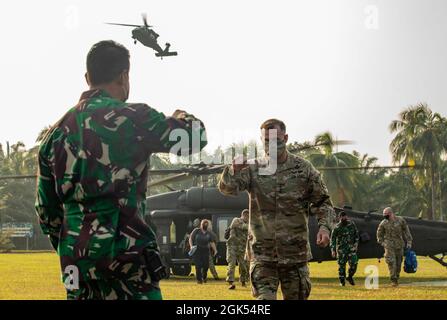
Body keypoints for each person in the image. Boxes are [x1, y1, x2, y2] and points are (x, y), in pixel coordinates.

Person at [34, 40, 207, 300]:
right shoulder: (135, 118)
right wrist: (182, 116)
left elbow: (47, 211)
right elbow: (196, 137)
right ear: (124, 76)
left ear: (87, 78)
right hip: (129, 263)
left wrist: (75, 243)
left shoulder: (54, 135)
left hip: (78, 267)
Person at [218, 118, 335, 300]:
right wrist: (233, 170)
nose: (271, 145)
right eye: (266, 141)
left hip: (295, 256)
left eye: (276, 140)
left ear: (286, 138)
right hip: (263, 256)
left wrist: (324, 227)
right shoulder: (253, 168)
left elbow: (323, 203)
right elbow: (227, 189)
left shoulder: (304, 169)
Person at [377, 207, 413, 286]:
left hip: (399, 245)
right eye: (383, 214)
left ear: (391, 213)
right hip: (389, 246)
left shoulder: (400, 220)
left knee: (398, 263)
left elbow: (406, 231)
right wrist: (383, 243)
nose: (384, 216)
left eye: (386, 214)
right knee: (391, 262)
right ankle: (393, 280)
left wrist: (409, 242)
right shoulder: (383, 223)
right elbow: (379, 235)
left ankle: (397, 276)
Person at [330, 211, 359, 286]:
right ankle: (342, 282)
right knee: (342, 266)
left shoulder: (351, 224)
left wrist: (356, 244)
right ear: (339, 218)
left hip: (351, 249)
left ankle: (350, 277)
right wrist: (333, 250)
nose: (344, 218)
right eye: (342, 217)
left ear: (347, 217)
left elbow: (356, 235)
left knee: (354, 263)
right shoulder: (337, 228)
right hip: (341, 250)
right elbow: (332, 239)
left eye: (345, 217)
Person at [226, 209, 249, 290]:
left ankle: (243, 281)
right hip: (232, 246)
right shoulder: (236, 220)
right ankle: (231, 282)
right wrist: (250, 226)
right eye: (247, 216)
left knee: (244, 266)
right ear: (244, 215)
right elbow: (238, 226)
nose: (248, 218)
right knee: (231, 264)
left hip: (242, 248)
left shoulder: (248, 223)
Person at [189, 219, 217, 284]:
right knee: (198, 265)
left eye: (206, 224)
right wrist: (191, 246)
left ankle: (204, 277)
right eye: (204, 224)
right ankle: (199, 280)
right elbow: (190, 238)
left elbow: (212, 242)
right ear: (201, 225)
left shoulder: (208, 233)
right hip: (197, 250)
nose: (205, 225)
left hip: (206, 251)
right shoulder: (196, 231)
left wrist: (215, 250)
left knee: (206, 266)